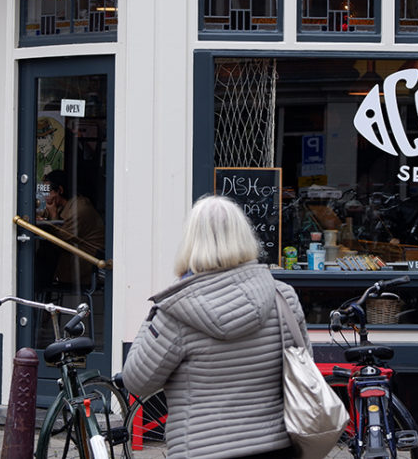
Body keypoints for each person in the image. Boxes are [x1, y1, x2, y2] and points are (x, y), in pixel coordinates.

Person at [121, 195, 308, 459]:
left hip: (200, 450)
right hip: (276, 447)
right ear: (245, 237)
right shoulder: (283, 298)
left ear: (190, 243)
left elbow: (136, 381)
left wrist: (155, 314)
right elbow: (304, 365)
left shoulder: (176, 311)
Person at [38, 170, 105, 285]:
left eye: (47, 193)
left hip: (86, 262)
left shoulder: (79, 209)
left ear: (60, 190)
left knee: (45, 254)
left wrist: (53, 216)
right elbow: (43, 214)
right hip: (72, 258)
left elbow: (61, 240)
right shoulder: (62, 205)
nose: (45, 198)